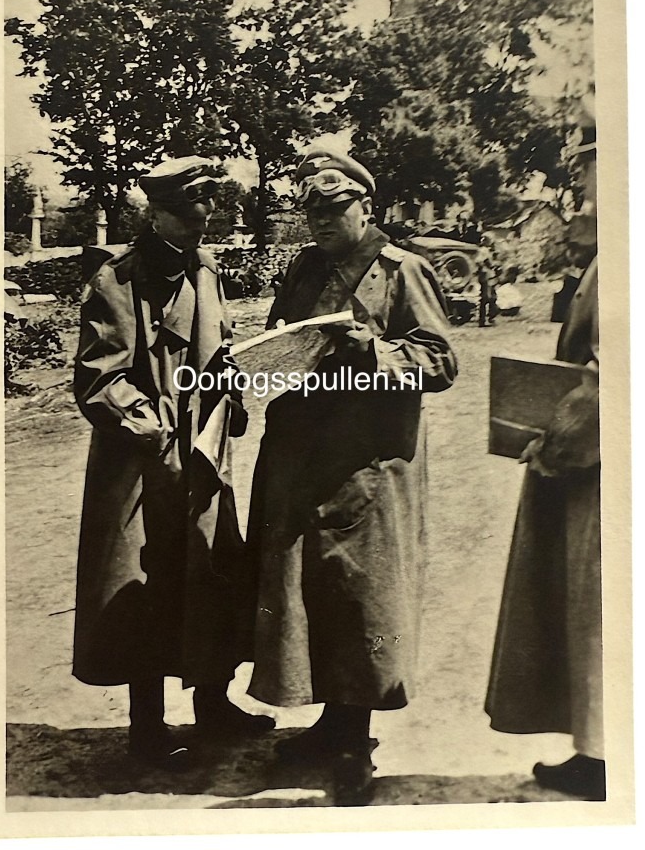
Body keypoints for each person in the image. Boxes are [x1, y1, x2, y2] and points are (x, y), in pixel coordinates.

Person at [245, 146, 458, 805]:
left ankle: (354, 746)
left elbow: (441, 360)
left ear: (365, 206)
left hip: (367, 464)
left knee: (360, 596)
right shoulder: (306, 267)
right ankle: (330, 722)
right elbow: (287, 336)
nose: (322, 221)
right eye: (312, 210)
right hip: (301, 458)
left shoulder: (401, 272)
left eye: (335, 208)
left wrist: (375, 349)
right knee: (310, 593)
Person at [72, 156, 273, 771]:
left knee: (211, 573)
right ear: (154, 212)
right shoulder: (118, 280)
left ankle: (213, 703)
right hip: (144, 465)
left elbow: (219, 349)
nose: (203, 219)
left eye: (208, 208)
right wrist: (156, 434)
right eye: (189, 210)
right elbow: (98, 380)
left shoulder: (203, 272)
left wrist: (231, 389)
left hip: (205, 456)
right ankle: (148, 728)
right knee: (144, 586)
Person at [485, 193, 604, 800]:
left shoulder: (621, 263)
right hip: (605, 461)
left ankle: (605, 758)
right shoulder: (604, 261)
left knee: (600, 607)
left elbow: (604, 379)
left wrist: (555, 447)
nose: (576, 214)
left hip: (603, 469)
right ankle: (600, 750)